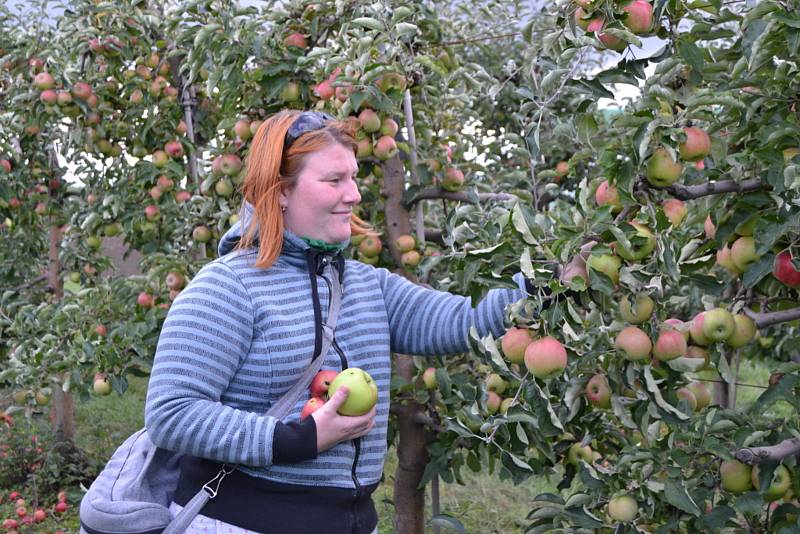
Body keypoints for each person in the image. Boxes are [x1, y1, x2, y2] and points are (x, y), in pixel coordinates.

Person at [144, 109, 536, 534]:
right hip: (241, 520)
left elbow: (462, 319)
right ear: (280, 192)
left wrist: (541, 284)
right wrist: (302, 437)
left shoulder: (365, 284)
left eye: (352, 178)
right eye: (334, 181)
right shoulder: (229, 287)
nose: (352, 195)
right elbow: (172, 414)